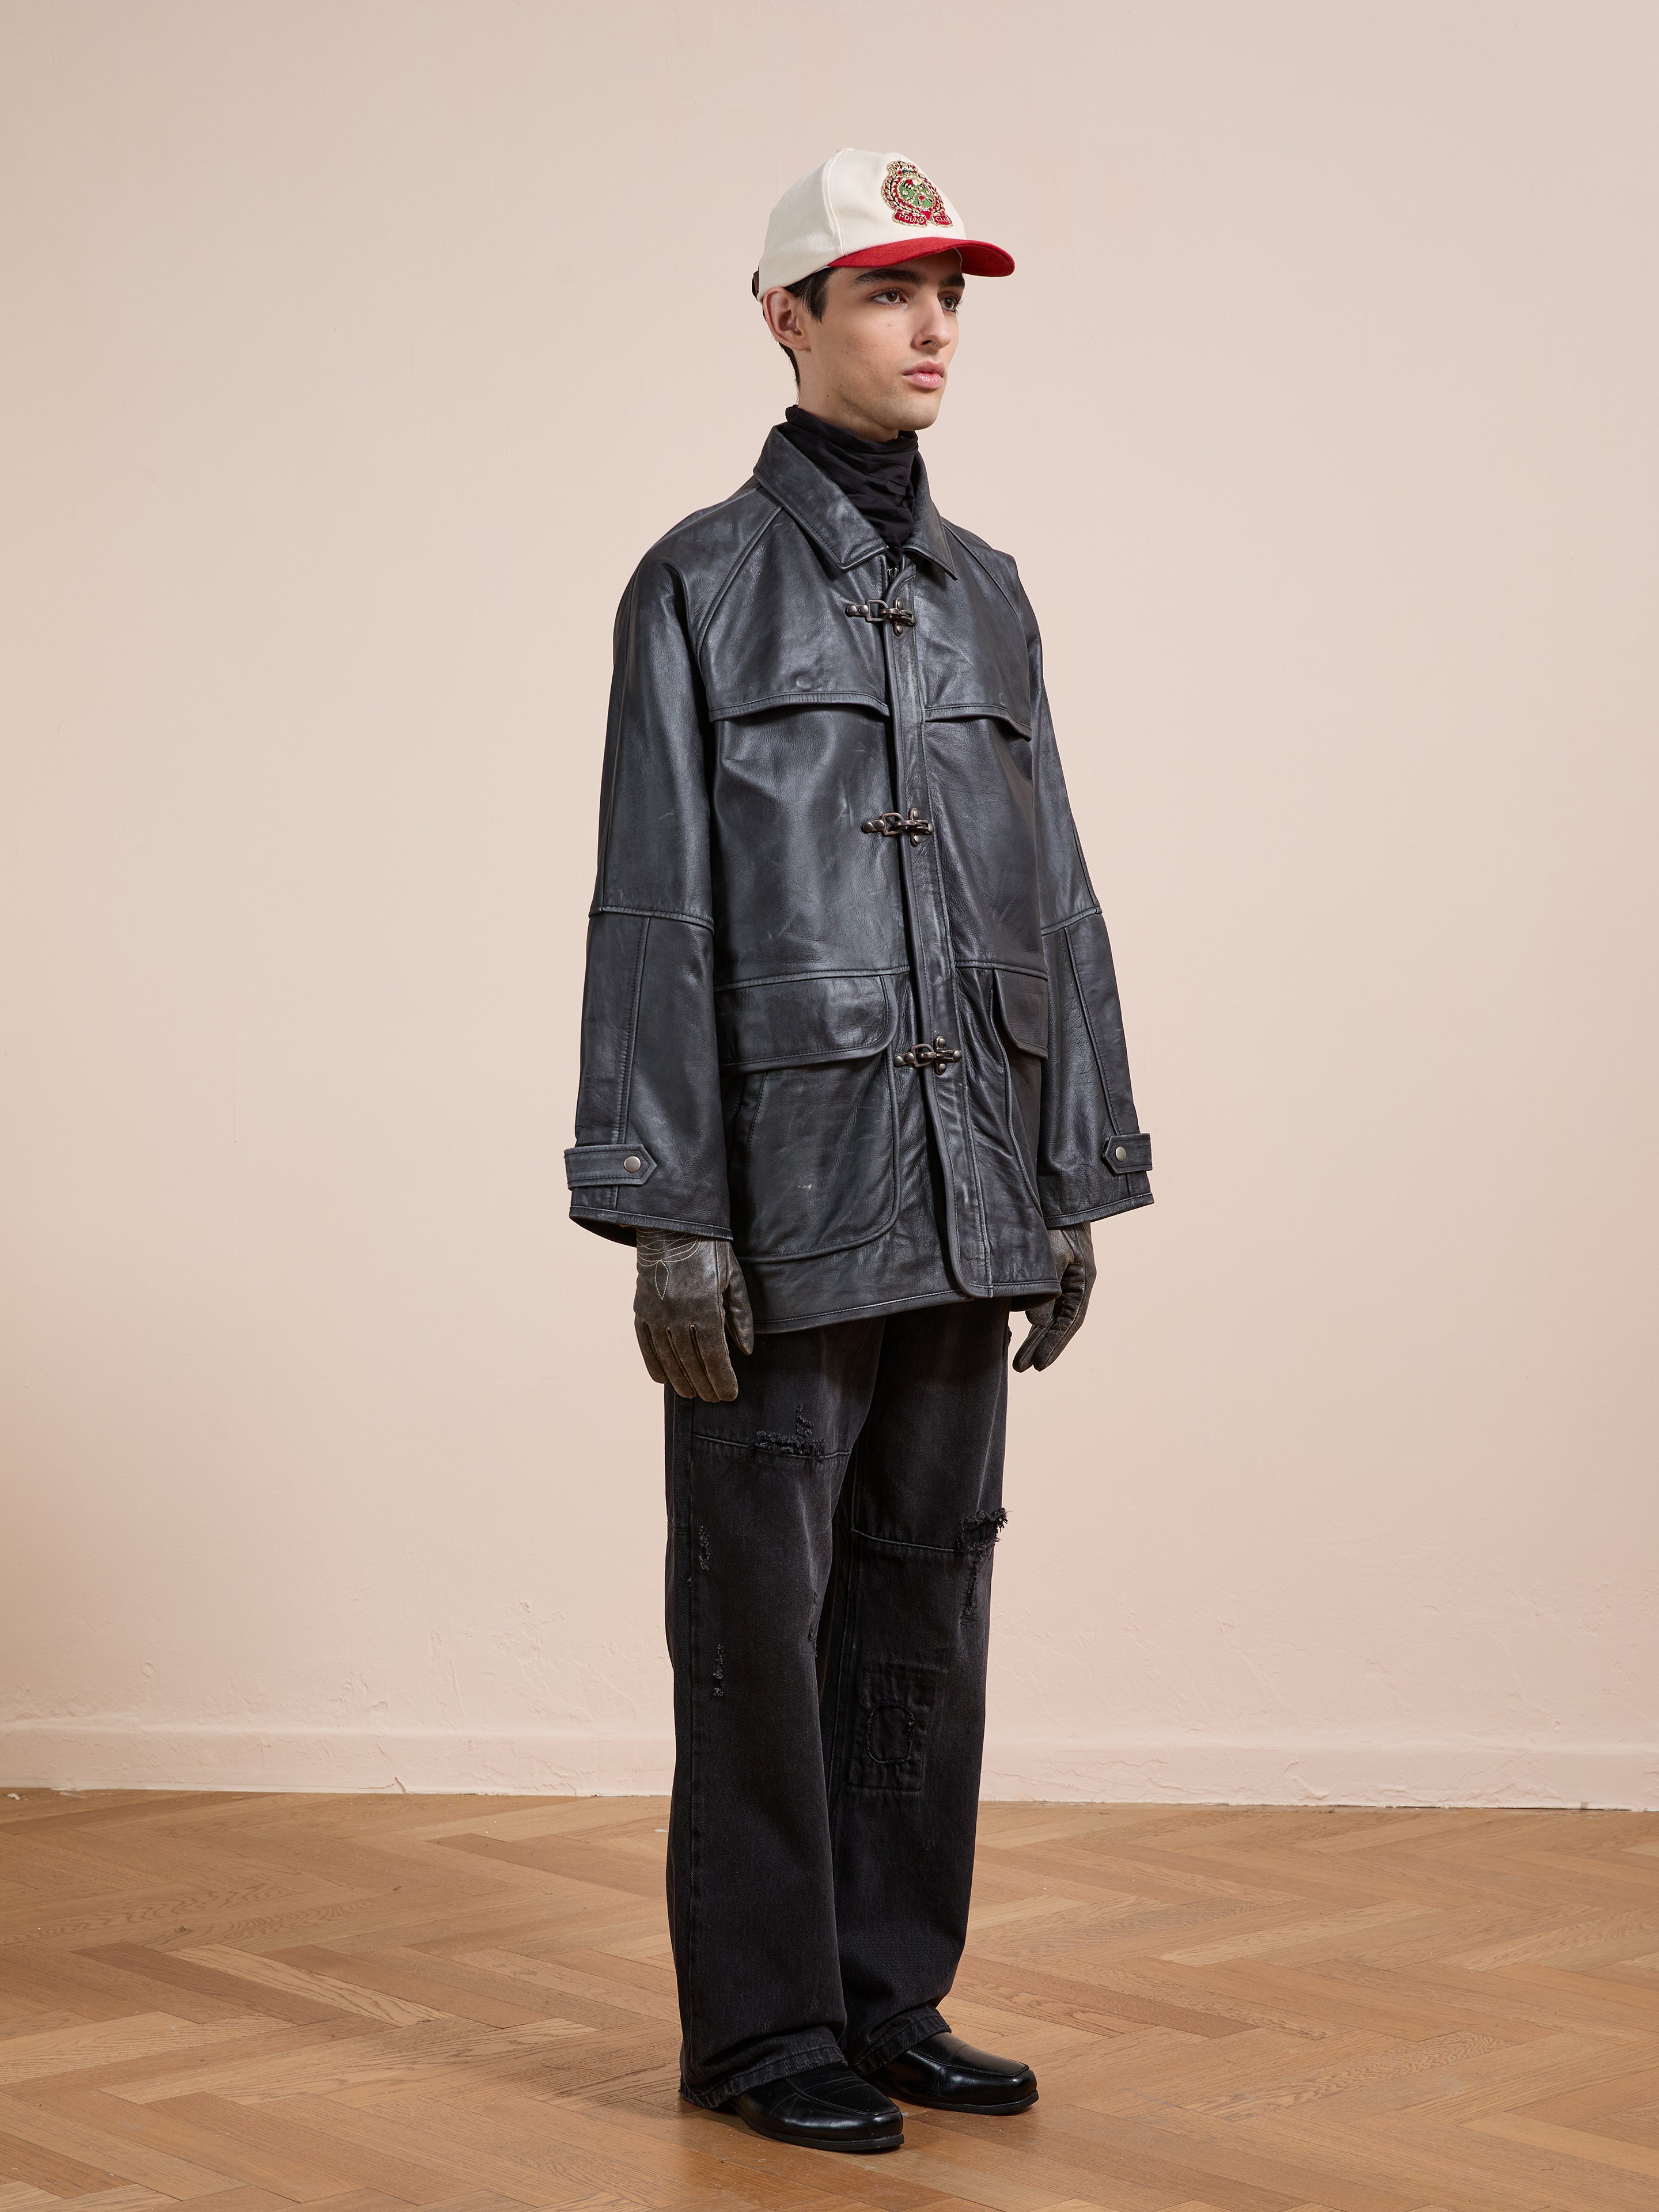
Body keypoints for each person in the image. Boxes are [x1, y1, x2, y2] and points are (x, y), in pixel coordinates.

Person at [566, 149, 1152, 2155]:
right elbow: (654, 907)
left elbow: (1054, 894)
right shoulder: (699, 584)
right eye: (886, 293)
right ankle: (757, 2032)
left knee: (926, 1597)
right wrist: (661, 1214)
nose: (930, 331)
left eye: (952, 297)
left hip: (968, 1161)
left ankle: (890, 1994)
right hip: (784, 1187)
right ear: (785, 319)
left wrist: (1074, 1164)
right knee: (758, 1608)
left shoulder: (988, 597)